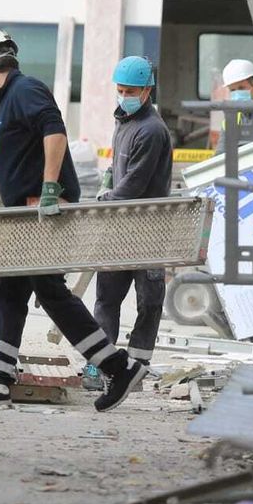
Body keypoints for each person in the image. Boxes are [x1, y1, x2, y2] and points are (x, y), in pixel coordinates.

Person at [0, 28, 146, 411]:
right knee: (9, 290)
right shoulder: (13, 99)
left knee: (50, 293)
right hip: (26, 212)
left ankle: (118, 366)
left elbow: (55, 132)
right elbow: (19, 164)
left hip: (38, 214)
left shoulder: (24, 90)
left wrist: (48, 188)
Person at [93, 55, 173, 370]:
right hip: (119, 227)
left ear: (146, 92)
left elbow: (135, 184)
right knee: (107, 297)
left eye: (130, 91)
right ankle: (101, 362)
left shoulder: (152, 130)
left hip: (148, 227)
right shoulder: (123, 122)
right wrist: (106, 182)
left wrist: (107, 199)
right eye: (121, 90)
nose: (124, 96)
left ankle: (138, 362)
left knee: (149, 299)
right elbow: (117, 168)